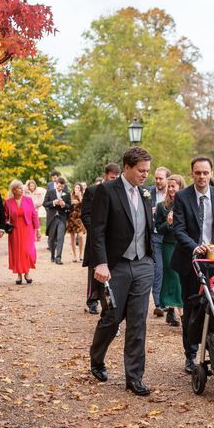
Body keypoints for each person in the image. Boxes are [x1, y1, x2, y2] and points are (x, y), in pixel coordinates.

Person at [89, 147, 156, 397]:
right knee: (112, 319)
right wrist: (101, 263)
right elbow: (97, 231)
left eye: (147, 171)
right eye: (141, 171)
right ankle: (97, 359)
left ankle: (134, 377)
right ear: (126, 167)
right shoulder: (106, 191)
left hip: (142, 264)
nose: (145, 176)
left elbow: (147, 227)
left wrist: (151, 260)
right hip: (116, 265)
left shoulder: (146, 193)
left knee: (138, 322)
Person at [171, 155, 214, 374]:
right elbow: (179, 229)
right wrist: (194, 246)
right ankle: (190, 355)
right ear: (192, 174)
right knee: (192, 308)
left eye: (205, 172)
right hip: (190, 260)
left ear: (211, 173)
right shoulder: (182, 196)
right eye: (198, 173)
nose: (201, 176)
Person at [82, 165, 121, 314]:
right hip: (96, 237)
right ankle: (92, 299)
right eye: (112, 177)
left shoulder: (119, 192)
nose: (114, 180)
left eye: (117, 178)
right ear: (105, 175)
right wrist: (97, 231)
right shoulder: (92, 191)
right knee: (95, 268)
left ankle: (109, 300)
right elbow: (85, 215)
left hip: (113, 239)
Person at [155, 174, 185, 327]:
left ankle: (172, 310)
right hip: (169, 246)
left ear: (181, 187)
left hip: (184, 246)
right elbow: (159, 229)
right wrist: (168, 223)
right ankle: (182, 313)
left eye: (175, 186)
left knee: (181, 278)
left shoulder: (186, 203)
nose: (172, 189)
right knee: (173, 277)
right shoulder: (162, 206)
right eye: (170, 186)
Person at [4, 180, 40, 284]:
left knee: (28, 251)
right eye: (20, 188)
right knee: (17, 252)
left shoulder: (28, 200)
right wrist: (6, 223)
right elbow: (5, 217)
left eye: (22, 188)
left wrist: (37, 230)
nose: (22, 190)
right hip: (15, 230)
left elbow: (34, 215)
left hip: (28, 229)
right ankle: (20, 275)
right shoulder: (8, 202)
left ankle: (27, 271)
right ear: (14, 190)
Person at [149, 166, 171, 317]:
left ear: (167, 180)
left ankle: (169, 303)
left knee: (170, 269)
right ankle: (158, 304)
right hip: (155, 235)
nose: (157, 181)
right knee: (158, 269)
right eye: (156, 178)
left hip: (170, 237)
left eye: (160, 178)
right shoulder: (147, 192)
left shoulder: (174, 193)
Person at [43, 177, 71, 265]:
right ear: (56, 184)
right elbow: (44, 203)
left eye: (62, 187)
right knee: (51, 239)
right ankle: (52, 255)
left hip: (62, 218)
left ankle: (58, 257)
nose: (60, 188)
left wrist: (64, 204)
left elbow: (69, 206)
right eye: (59, 186)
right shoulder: (50, 192)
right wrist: (53, 202)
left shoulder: (67, 194)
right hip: (52, 218)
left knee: (60, 238)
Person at [67, 182, 86, 263]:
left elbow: (85, 206)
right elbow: (67, 206)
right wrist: (71, 202)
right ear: (74, 188)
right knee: (72, 237)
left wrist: (80, 197)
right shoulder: (70, 196)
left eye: (78, 188)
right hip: (71, 218)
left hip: (80, 218)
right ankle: (74, 255)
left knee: (81, 236)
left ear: (80, 189)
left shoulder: (83, 196)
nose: (77, 189)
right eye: (76, 187)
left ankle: (81, 254)